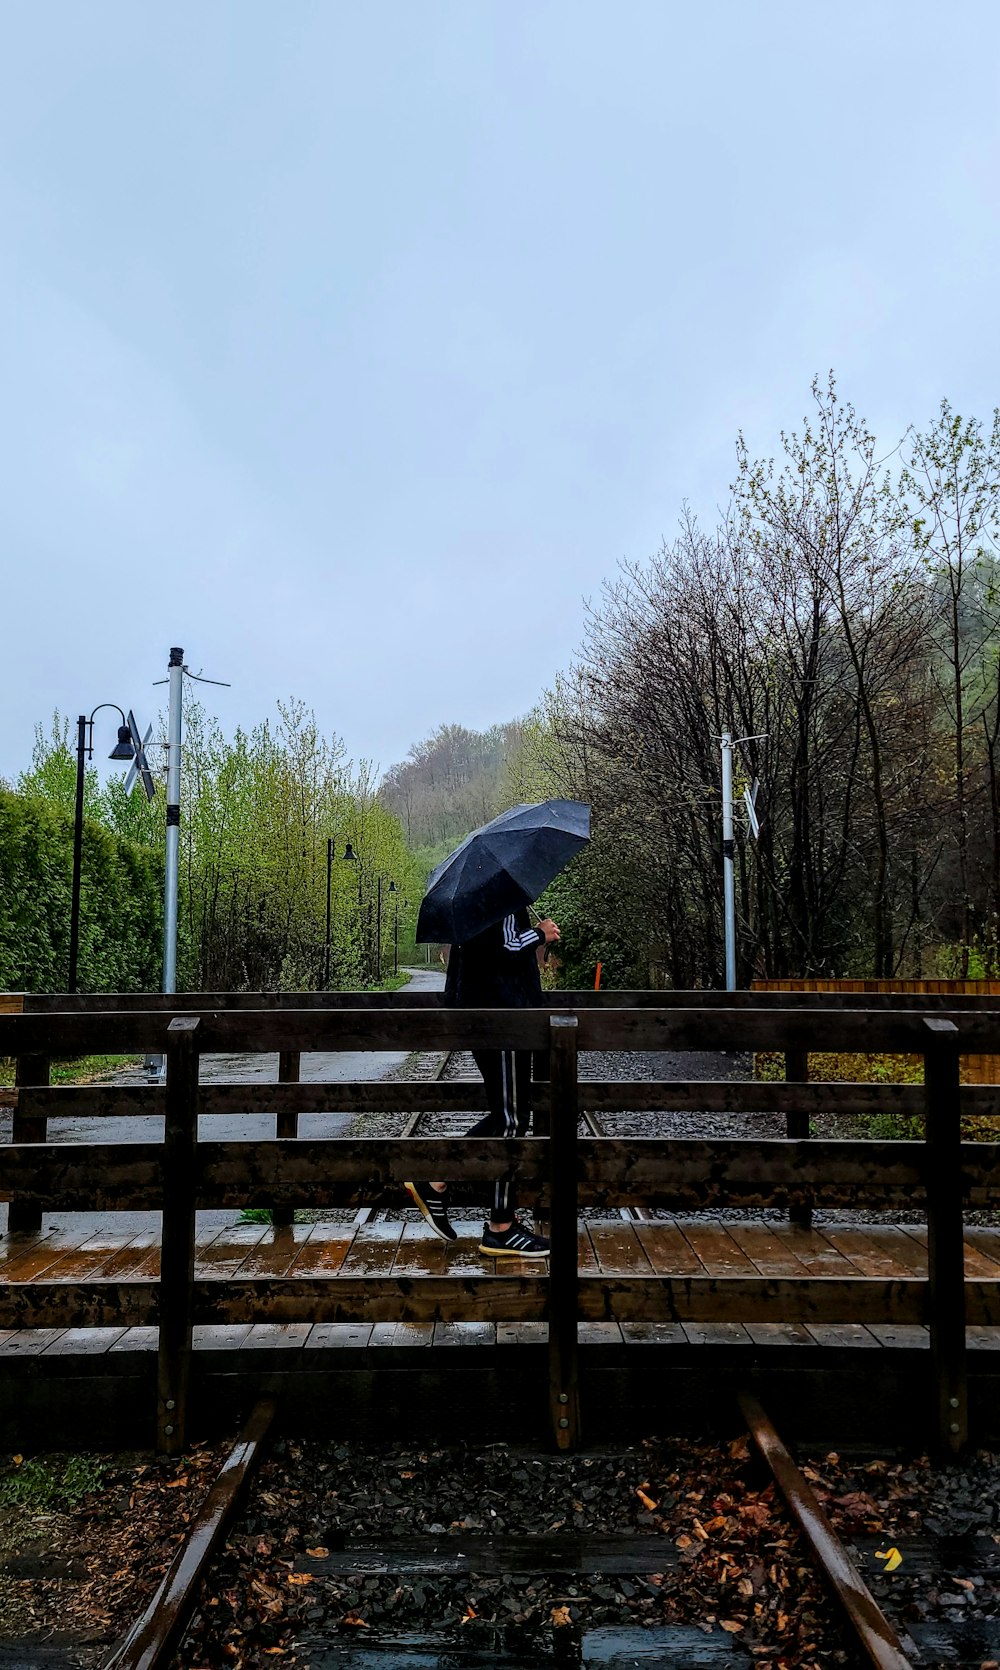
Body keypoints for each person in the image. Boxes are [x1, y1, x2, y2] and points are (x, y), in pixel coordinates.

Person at [405, 906, 560, 1257]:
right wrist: (540, 934)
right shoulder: (501, 900)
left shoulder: (481, 903)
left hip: (489, 1014)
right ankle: (497, 1226)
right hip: (500, 1016)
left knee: (511, 1118)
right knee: (509, 1120)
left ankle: (482, 1212)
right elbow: (504, 948)